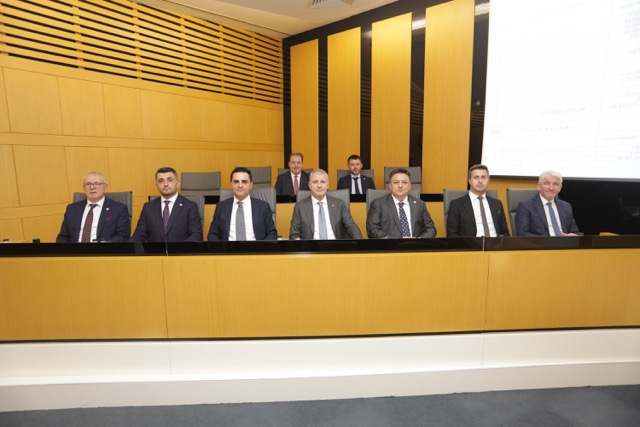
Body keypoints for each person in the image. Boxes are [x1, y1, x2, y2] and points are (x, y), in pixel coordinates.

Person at [130, 167, 202, 242]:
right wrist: (127, 246)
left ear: (177, 184)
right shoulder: (148, 207)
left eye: (169, 180)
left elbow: (196, 235)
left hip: (181, 249)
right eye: (161, 181)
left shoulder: (190, 206)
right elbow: (139, 235)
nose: (165, 184)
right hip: (155, 250)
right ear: (157, 185)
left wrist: (181, 248)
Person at [56, 172, 131, 243]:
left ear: (105, 187)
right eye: (88, 184)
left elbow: (123, 236)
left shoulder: (118, 209)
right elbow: (63, 236)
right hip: (75, 250)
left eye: (97, 184)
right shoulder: (72, 209)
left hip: (103, 250)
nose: (92, 187)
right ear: (83, 188)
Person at [289, 169, 363, 240]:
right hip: (311, 247)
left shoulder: (339, 204)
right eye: (315, 182)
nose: (319, 185)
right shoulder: (300, 207)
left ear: (327, 185)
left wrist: (361, 244)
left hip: (336, 246)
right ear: (309, 185)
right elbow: (294, 234)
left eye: (323, 182)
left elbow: (351, 227)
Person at [208, 167, 277, 241]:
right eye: (236, 181)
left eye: (244, 182)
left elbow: (272, 233)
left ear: (251, 185)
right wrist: (222, 247)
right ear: (231, 184)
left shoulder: (263, 206)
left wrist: (261, 247)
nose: (240, 185)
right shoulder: (221, 207)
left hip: (256, 247)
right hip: (228, 248)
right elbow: (212, 234)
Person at [366, 168, 436, 239]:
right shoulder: (378, 204)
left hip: (415, 244)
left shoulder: (420, 204)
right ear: (390, 185)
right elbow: (372, 229)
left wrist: (418, 240)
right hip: (390, 245)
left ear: (409, 186)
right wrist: (397, 240)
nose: (400, 186)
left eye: (404, 182)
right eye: (396, 182)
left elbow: (431, 229)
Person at [446, 164, 510, 237]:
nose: (480, 181)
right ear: (469, 180)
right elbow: (452, 234)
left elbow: (505, 232)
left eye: (483, 177)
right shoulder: (457, 204)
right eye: (476, 177)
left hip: (496, 243)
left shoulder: (497, 204)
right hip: (471, 243)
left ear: (488, 180)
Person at [515, 170, 580, 237]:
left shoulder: (566, 206)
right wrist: (548, 241)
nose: (551, 188)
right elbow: (522, 233)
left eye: (555, 184)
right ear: (539, 186)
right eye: (547, 183)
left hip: (565, 243)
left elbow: (575, 232)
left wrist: (573, 235)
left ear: (560, 188)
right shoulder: (526, 206)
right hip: (540, 243)